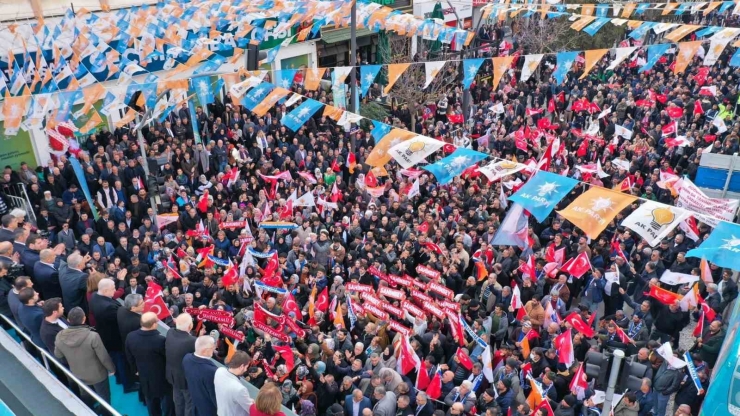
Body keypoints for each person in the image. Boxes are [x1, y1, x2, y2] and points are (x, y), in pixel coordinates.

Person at [54, 306, 115, 403]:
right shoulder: (93, 336)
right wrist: (111, 369)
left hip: (78, 373)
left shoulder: (60, 336)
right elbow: (103, 357)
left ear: (68, 320)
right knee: (104, 398)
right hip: (98, 375)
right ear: (84, 319)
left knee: (86, 396)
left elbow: (58, 355)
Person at [125, 312, 174, 416]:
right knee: (167, 402)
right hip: (162, 377)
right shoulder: (160, 340)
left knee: (150, 401)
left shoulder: (130, 336)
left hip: (144, 375)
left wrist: (135, 370)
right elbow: (168, 358)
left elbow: (129, 356)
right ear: (154, 324)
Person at [89, 277, 126, 388]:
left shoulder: (95, 296)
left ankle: (120, 378)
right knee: (120, 361)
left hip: (105, 335)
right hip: (114, 338)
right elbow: (120, 321)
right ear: (105, 291)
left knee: (115, 359)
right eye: (113, 288)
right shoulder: (108, 307)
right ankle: (126, 383)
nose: (115, 291)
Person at [166, 313, 197, 416]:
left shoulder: (170, 332)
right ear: (190, 326)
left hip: (173, 376)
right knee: (189, 404)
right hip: (186, 380)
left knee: (178, 401)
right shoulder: (192, 341)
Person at [182, 335, 219, 416]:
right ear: (205, 351)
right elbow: (215, 397)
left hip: (195, 403)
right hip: (208, 410)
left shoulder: (186, 358)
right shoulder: (212, 371)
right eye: (213, 348)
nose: (214, 349)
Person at [215, 351, 252, 415]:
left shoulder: (219, 371)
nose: (246, 370)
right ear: (241, 366)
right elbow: (250, 409)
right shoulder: (240, 389)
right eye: (246, 367)